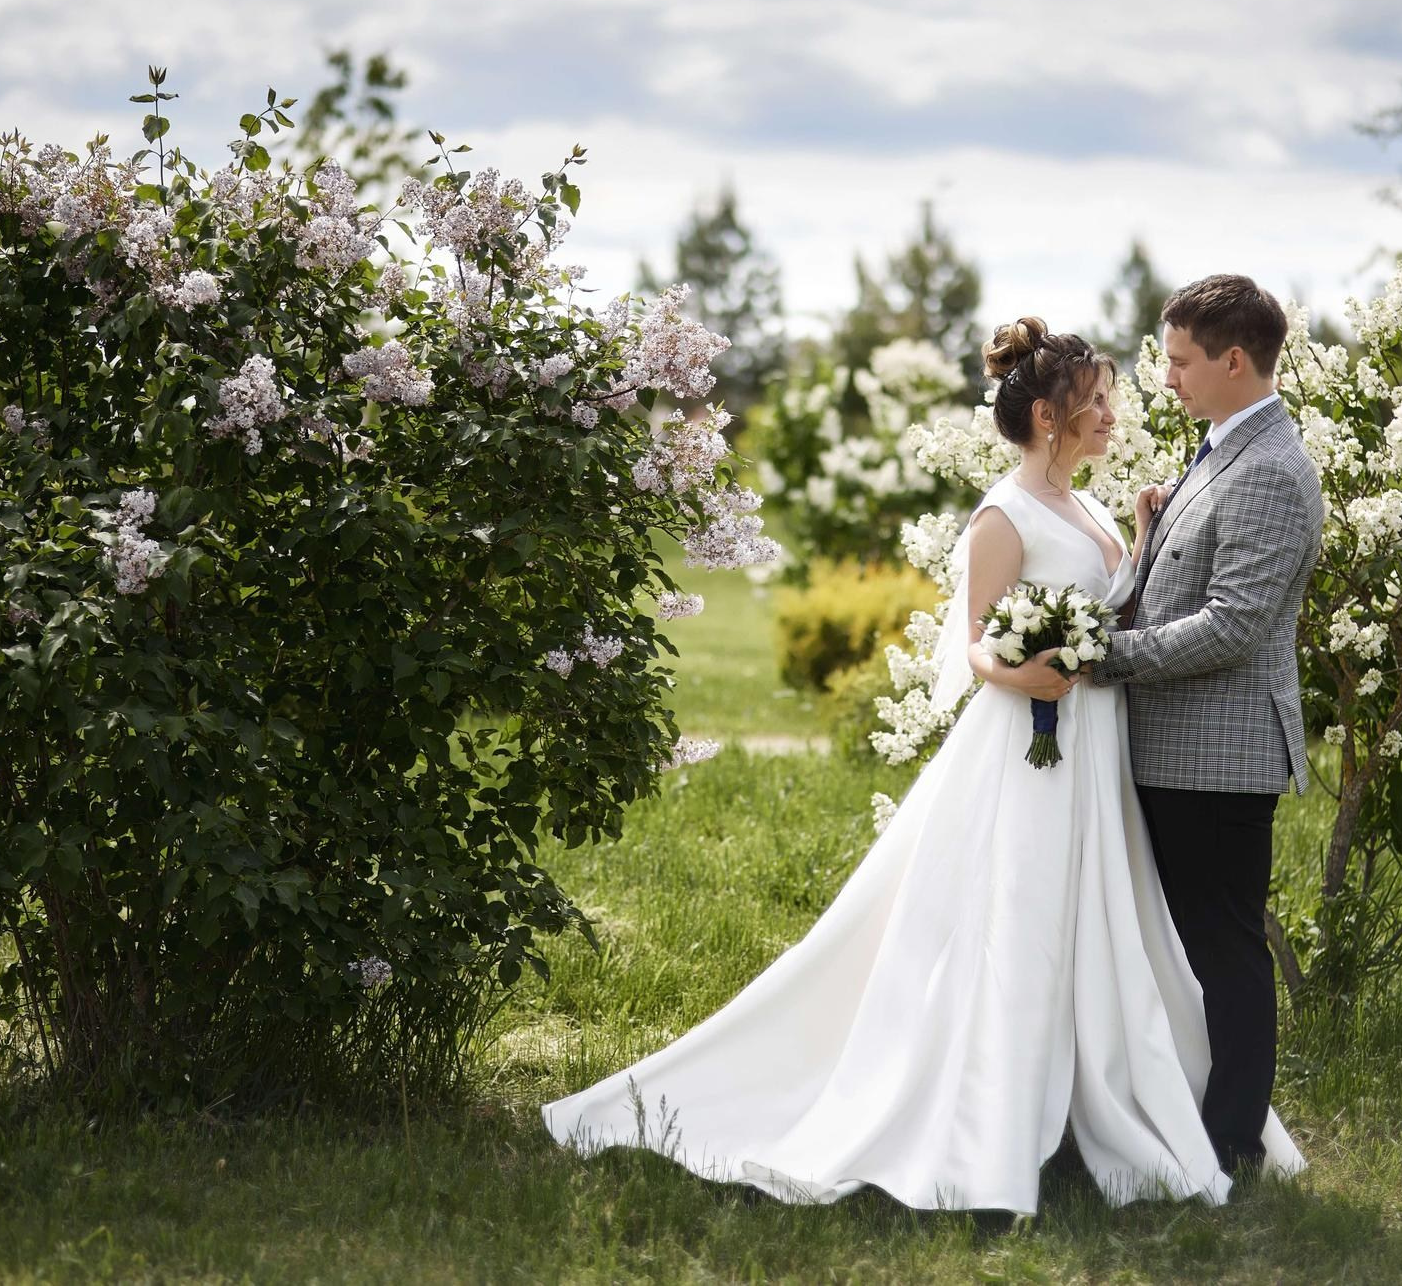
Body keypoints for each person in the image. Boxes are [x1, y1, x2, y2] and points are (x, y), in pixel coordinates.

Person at [543, 317, 1302, 1214]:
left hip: (1095, 746)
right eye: (1097, 401)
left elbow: (1108, 605)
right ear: (1050, 416)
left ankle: (1092, 1096)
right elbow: (976, 644)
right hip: (1032, 746)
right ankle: (991, 1122)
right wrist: (1026, 674)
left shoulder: (1090, 505)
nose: (1111, 413)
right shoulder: (1004, 513)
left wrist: (1136, 538)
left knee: (1096, 923)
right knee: (1018, 921)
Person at [1088, 274, 1326, 1177]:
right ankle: (1173, 1114)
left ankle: (1232, 1141)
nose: (1168, 378)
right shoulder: (1224, 446)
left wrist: (1102, 658)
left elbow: (1230, 626)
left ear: (1233, 361)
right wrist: (1150, 532)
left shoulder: (1270, 469)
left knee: (1223, 950)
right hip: (1178, 749)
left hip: (1218, 759)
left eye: (1181, 361)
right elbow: (1188, 580)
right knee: (1180, 947)